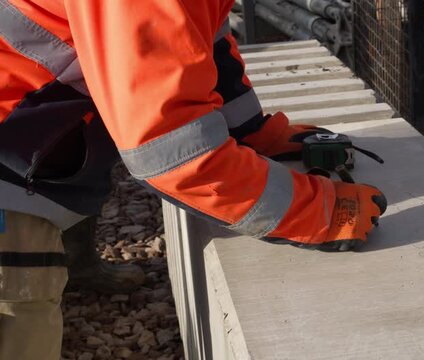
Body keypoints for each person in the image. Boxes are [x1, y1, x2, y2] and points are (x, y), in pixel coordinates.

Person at [0, 0, 387, 358]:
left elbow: (200, 42)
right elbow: (172, 151)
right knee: (19, 304)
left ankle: (76, 267)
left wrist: (249, 132)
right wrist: (314, 210)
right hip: (8, 154)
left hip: (31, 123)